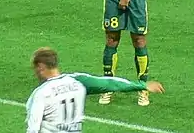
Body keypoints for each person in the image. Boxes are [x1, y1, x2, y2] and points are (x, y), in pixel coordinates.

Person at [26, 47, 164, 133]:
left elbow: (33, 128)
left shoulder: (40, 94)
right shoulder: (77, 83)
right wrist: (141, 85)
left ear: (41, 67)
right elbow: (109, 83)